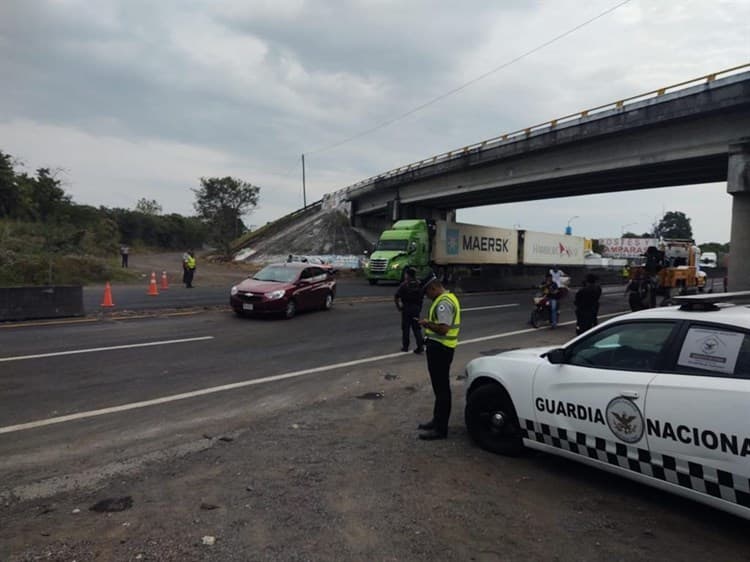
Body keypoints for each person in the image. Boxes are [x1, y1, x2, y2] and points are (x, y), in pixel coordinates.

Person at [416, 272, 461, 441]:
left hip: (441, 349)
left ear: (433, 287)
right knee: (439, 389)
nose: (427, 296)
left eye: (427, 292)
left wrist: (427, 323)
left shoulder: (444, 303)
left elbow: (443, 329)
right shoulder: (447, 299)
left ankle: (441, 429)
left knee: (442, 390)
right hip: (441, 349)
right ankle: (436, 421)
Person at [394, 267, 424, 353]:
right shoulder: (419, 284)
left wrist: (398, 307)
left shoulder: (404, 285)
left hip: (406, 309)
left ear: (408, 275)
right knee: (416, 328)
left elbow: (396, 296)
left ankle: (405, 347)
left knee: (406, 328)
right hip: (416, 309)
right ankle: (420, 346)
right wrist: (419, 308)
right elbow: (422, 297)